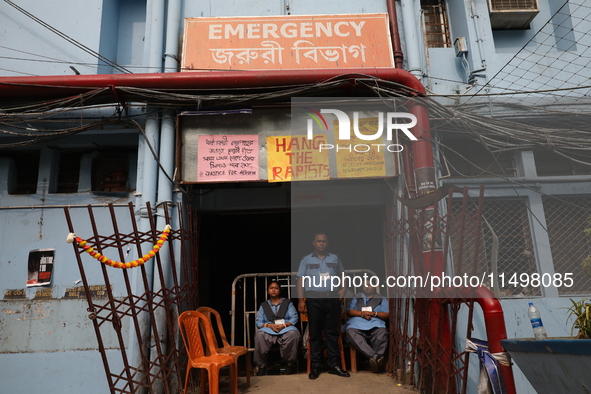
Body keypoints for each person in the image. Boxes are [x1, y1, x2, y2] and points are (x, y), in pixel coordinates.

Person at [297, 232, 350, 379]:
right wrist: (301, 300)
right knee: (315, 334)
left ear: (328, 243)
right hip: (313, 299)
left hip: (332, 298)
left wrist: (343, 290)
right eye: (319, 241)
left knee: (332, 333)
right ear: (314, 242)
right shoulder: (306, 260)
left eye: (324, 241)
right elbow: (301, 281)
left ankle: (334, 365)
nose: (321, 243)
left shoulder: (335, 258)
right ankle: (316, 366)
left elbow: (343, 275)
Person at [254, 281, 301, 375]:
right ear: (268, 291)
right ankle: (262, 366)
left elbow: (294, 317)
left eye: (276, 288)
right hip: (269, 328)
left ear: (279, 290)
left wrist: (284, 325)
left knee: (292, 335)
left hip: (285, 327)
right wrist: (269, 325)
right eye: (271, 288)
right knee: (259, 335)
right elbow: (258, 322)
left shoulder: (287, 303)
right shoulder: (264, 305)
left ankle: (289, 364)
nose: (273, 290)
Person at [345, 284, 389, 373]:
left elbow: (386, 314)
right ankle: (376, 358)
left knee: (382, 333)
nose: (367, 287)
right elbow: (349, 311)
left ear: (375, 286)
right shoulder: (357, 297)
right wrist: (361, 314)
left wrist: (374, 314)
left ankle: (373, 362)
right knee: (350, 331)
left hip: (375, 322)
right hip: (357, 323)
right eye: (364, 285)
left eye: (369, 285)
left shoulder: (381, 299)